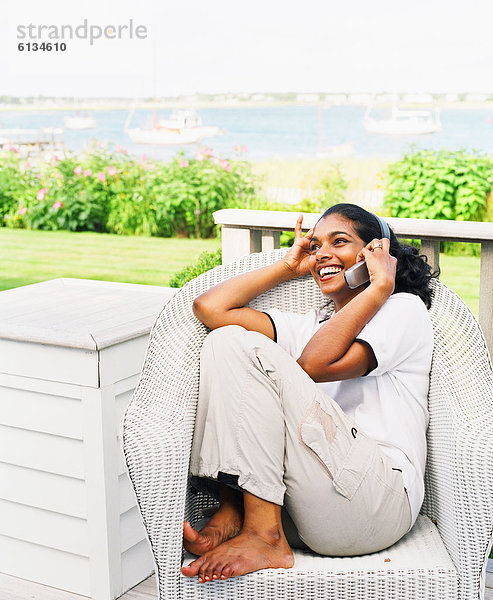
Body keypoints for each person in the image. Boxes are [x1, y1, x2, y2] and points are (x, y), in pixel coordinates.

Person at [181, 203, 435, 584]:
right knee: (226, 340)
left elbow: (315, 364)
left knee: (244, 346)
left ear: (376, 252)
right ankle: (239, 508)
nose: (322, 254)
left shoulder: (402, 309)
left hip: (375, 503)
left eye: (340, 241)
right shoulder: (310, 325)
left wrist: (381, 285)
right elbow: (210, 307)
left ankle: (262, 535)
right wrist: (287, 267)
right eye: (315, 246)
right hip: (305, 509)